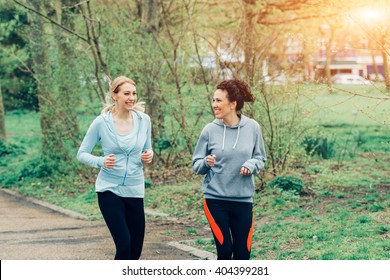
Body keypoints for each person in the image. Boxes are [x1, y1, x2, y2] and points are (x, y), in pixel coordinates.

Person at [77, 76, 153, 260]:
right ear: (114, 95)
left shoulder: (144, 120)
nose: (131, 98)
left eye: (134, 94)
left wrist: (148, 155)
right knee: (124, 245)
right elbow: (82, 154)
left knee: (135, 251)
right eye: (126, 93)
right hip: (109, 189)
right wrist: (101, 161)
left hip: (135, 190)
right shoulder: (101, 122)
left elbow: (148, 148)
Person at [192, 79, 266, 260]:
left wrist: (251, 165)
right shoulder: (209, 130)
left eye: (219, 101)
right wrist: (206, 163)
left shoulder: (253, 128)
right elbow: (196, 165)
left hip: (243, 201)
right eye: (214, 100)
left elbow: (260, 158)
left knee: (242, 254)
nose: (214, 105)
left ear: (232, 104)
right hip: (215, 200)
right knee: (224, 252)